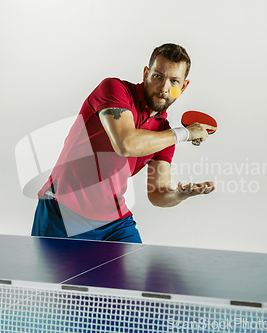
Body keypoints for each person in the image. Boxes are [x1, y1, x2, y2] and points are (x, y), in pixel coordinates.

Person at [31, 43, 215, 243]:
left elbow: (158, 193)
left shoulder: (164, 133)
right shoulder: (114, 90)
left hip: (114, 223)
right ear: (146, 73)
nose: (164, 88)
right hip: (62, 213)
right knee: (52, 276)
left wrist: (180, 194)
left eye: (174, 81)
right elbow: (125, 143)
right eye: (158, 76)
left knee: (136, 274)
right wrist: (184, 133)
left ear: (183, 86)